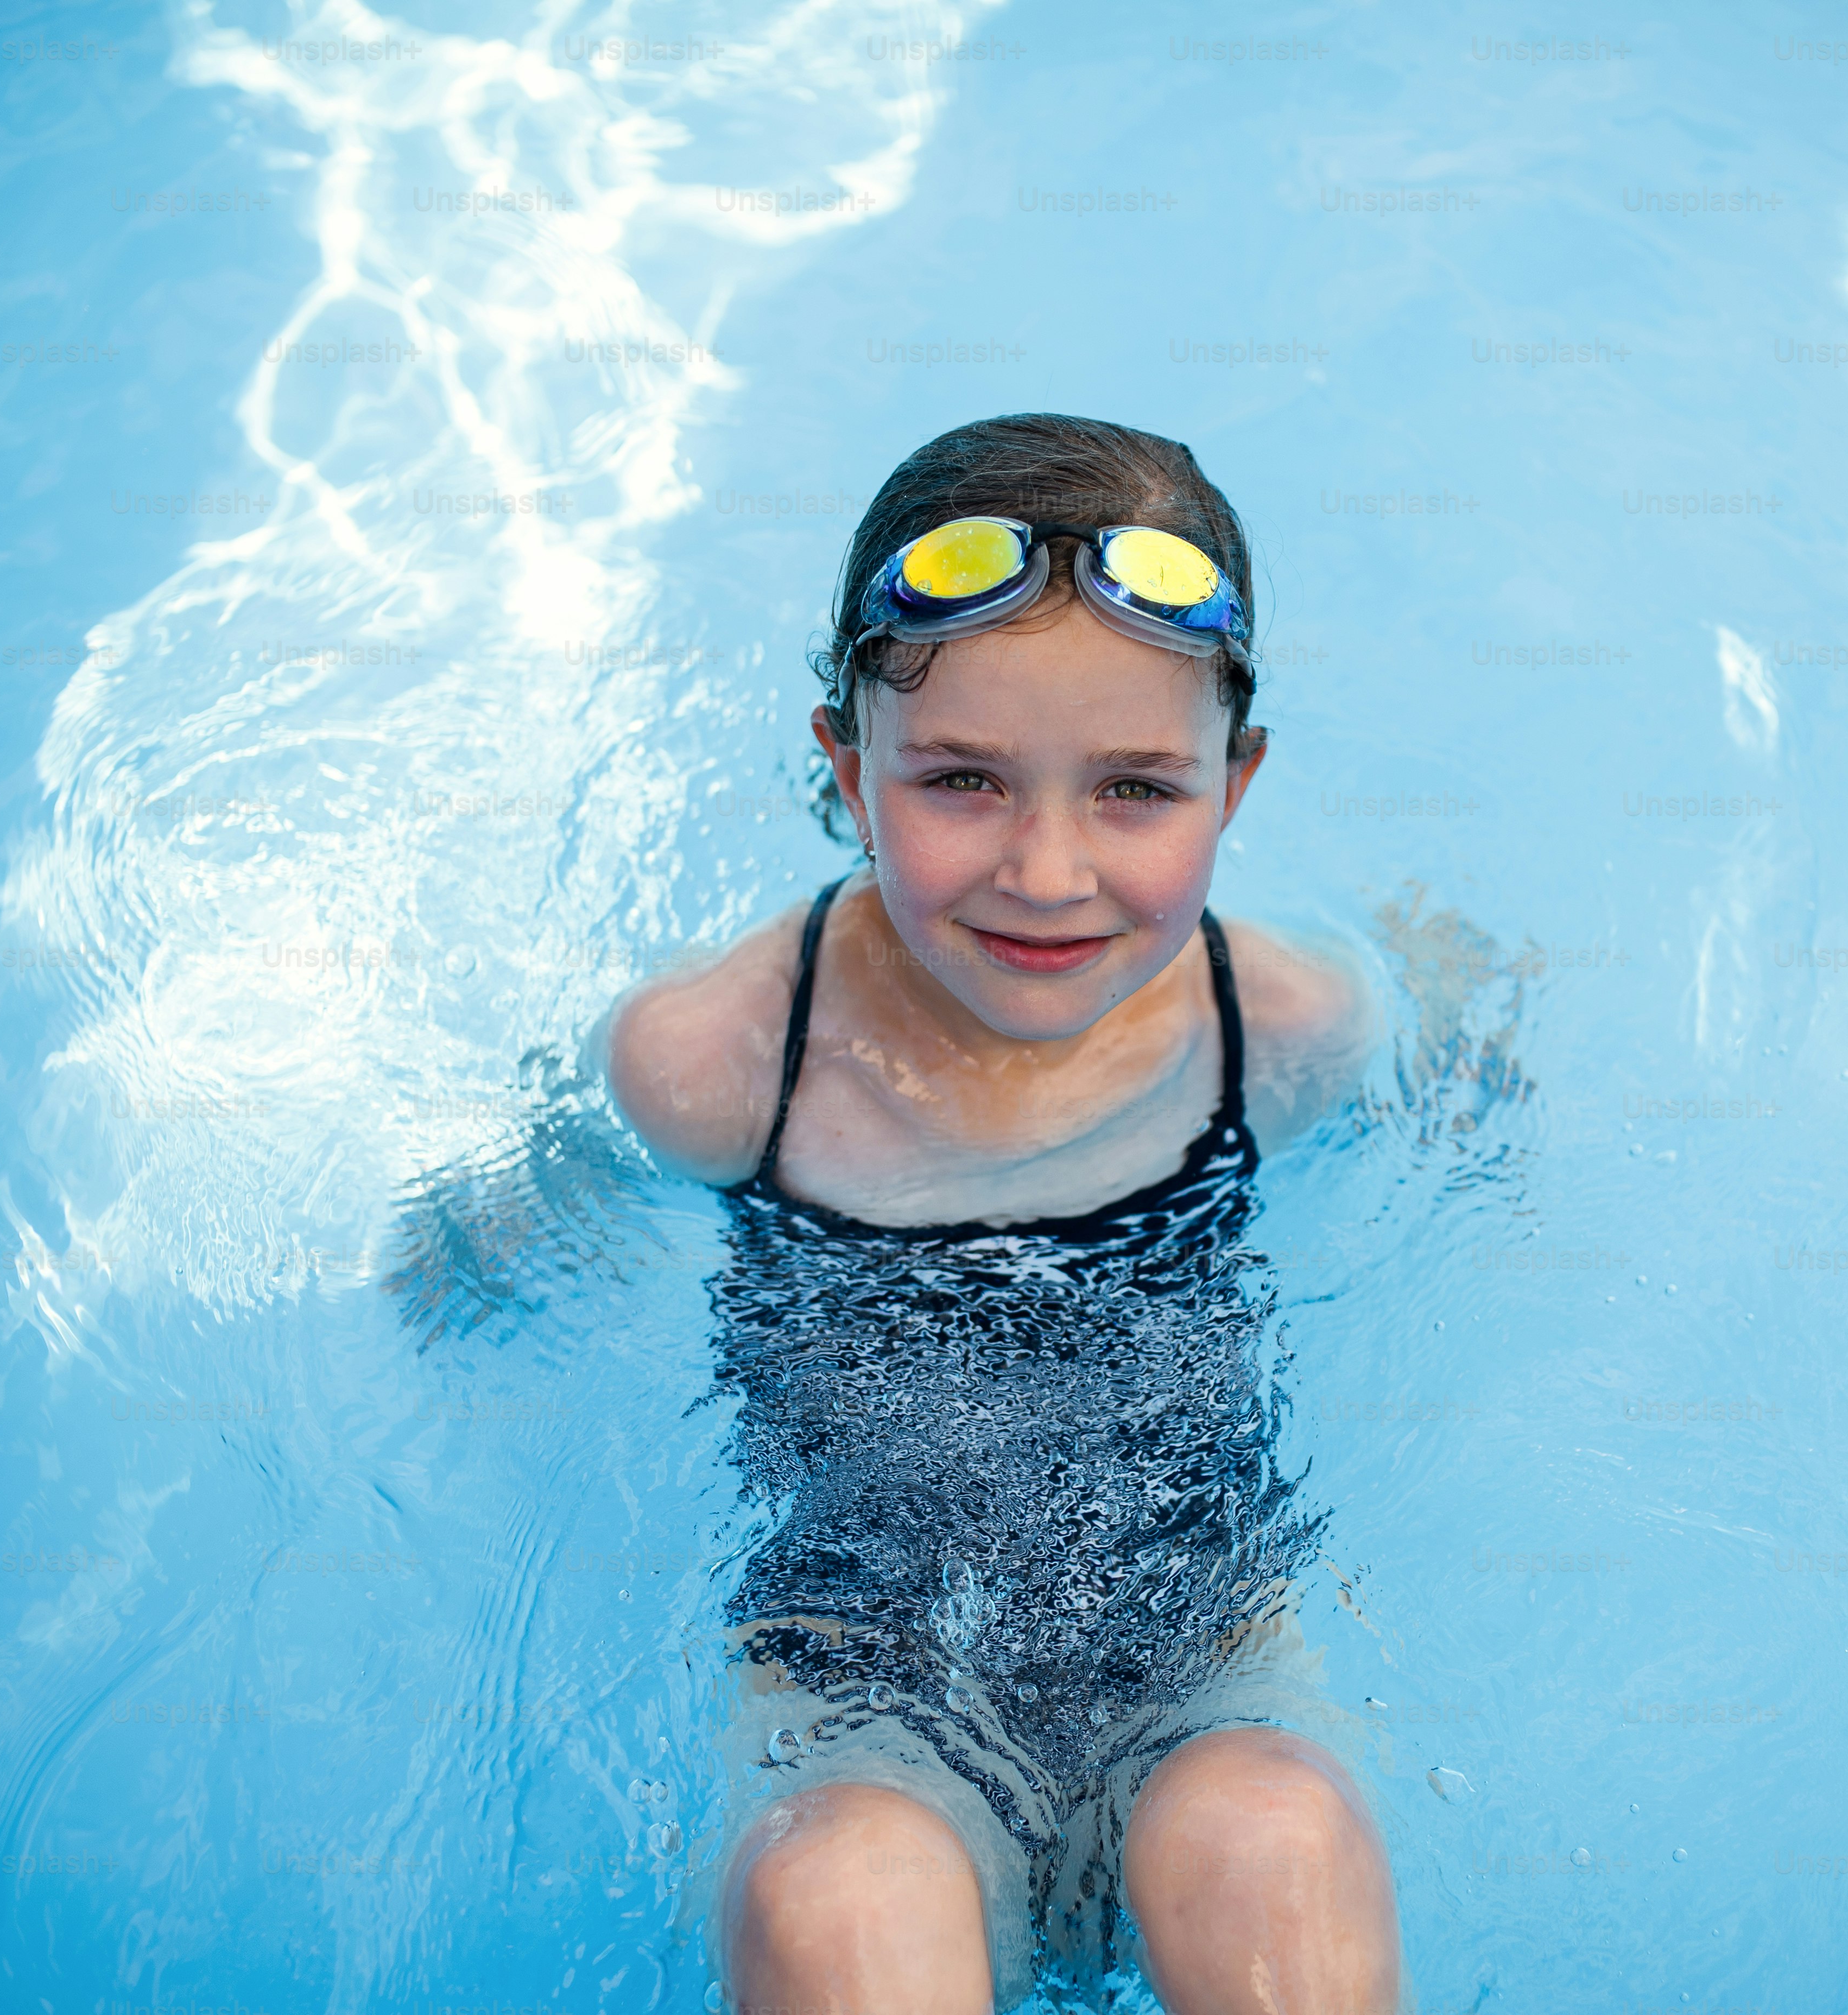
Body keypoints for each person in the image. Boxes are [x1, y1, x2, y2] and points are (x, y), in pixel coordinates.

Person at [605, 413, 1398, 2013]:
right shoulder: (721, 1068)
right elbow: (545, 1204)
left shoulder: (1285, 1031)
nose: (1047, 871)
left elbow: (1448, 1059)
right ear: (848, 769)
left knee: (1278, 1831)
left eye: (1135, 790)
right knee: (838, 1891)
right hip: (854, 1708)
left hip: (1201, 1679)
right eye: (962, 780)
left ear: (1235, 786)